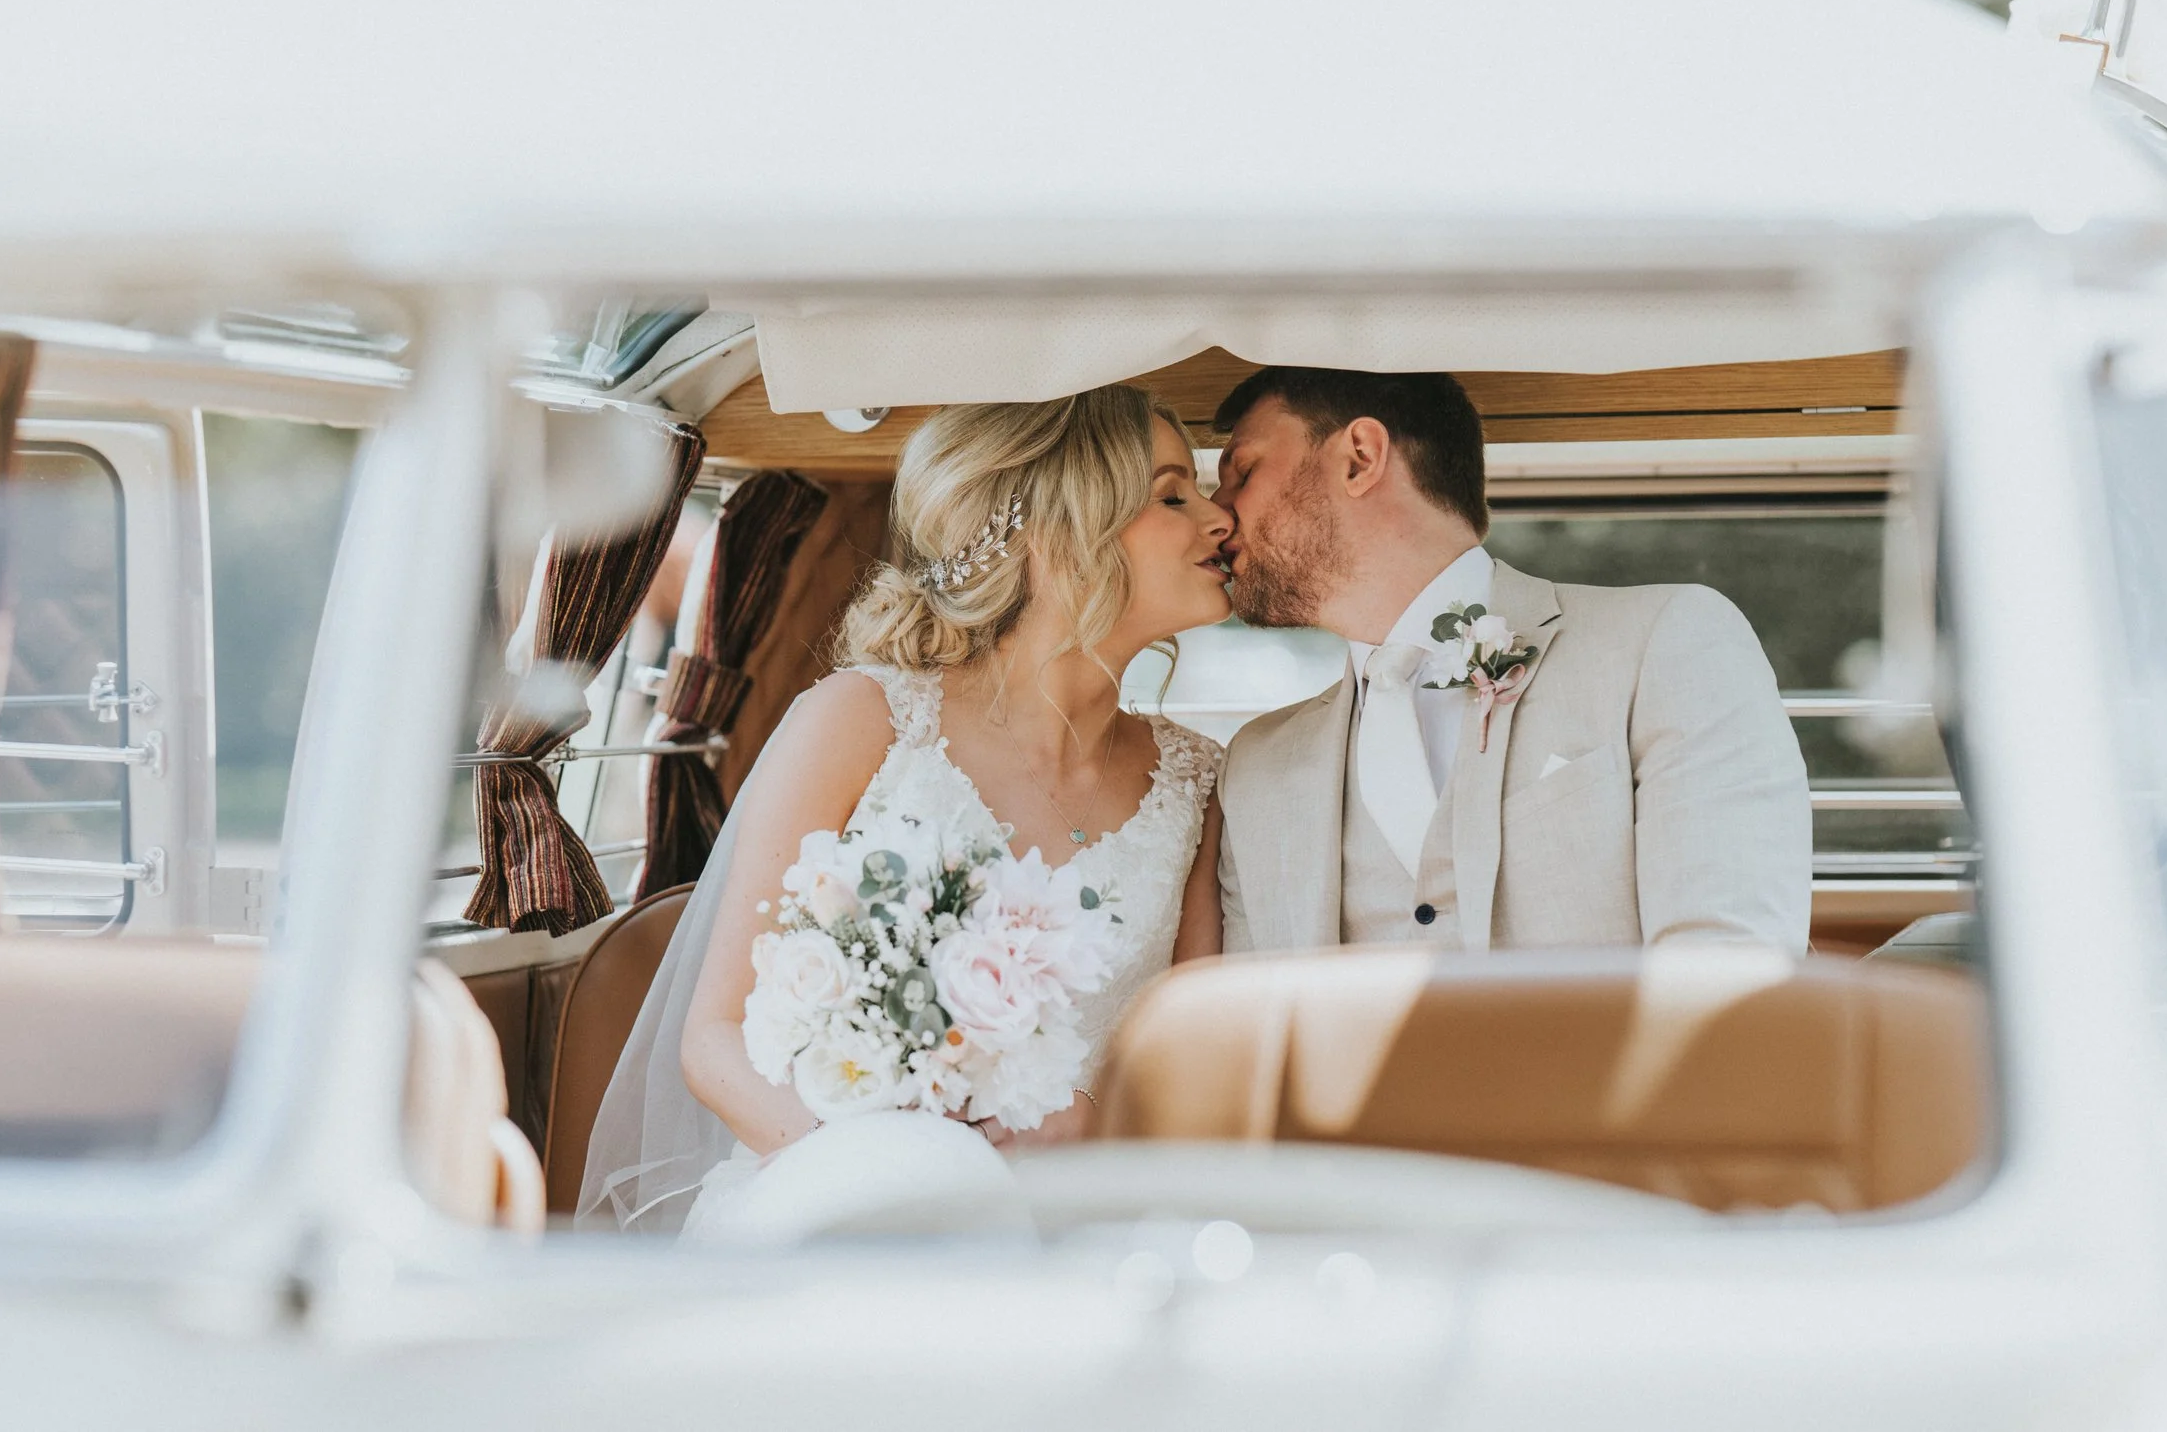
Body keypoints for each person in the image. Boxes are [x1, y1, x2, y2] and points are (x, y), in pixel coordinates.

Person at [580, 386, 1235, 1234]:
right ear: (1057, 533)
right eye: (1174, 495)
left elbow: (1195, 1057)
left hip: (1088, 1218)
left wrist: (1100, 1114)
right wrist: (895, 1181)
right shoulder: (859, 721)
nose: (1219, 519)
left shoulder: (1196, 781)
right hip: (841, 1206)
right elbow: (717, 1040)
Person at [1210, 367, 1810, 955]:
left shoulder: (1667, 642)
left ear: (1360, 458)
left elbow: (1734, 977)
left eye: (1241, 471)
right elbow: (1243, 1028)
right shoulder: (1257, 765)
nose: (1216, 511)